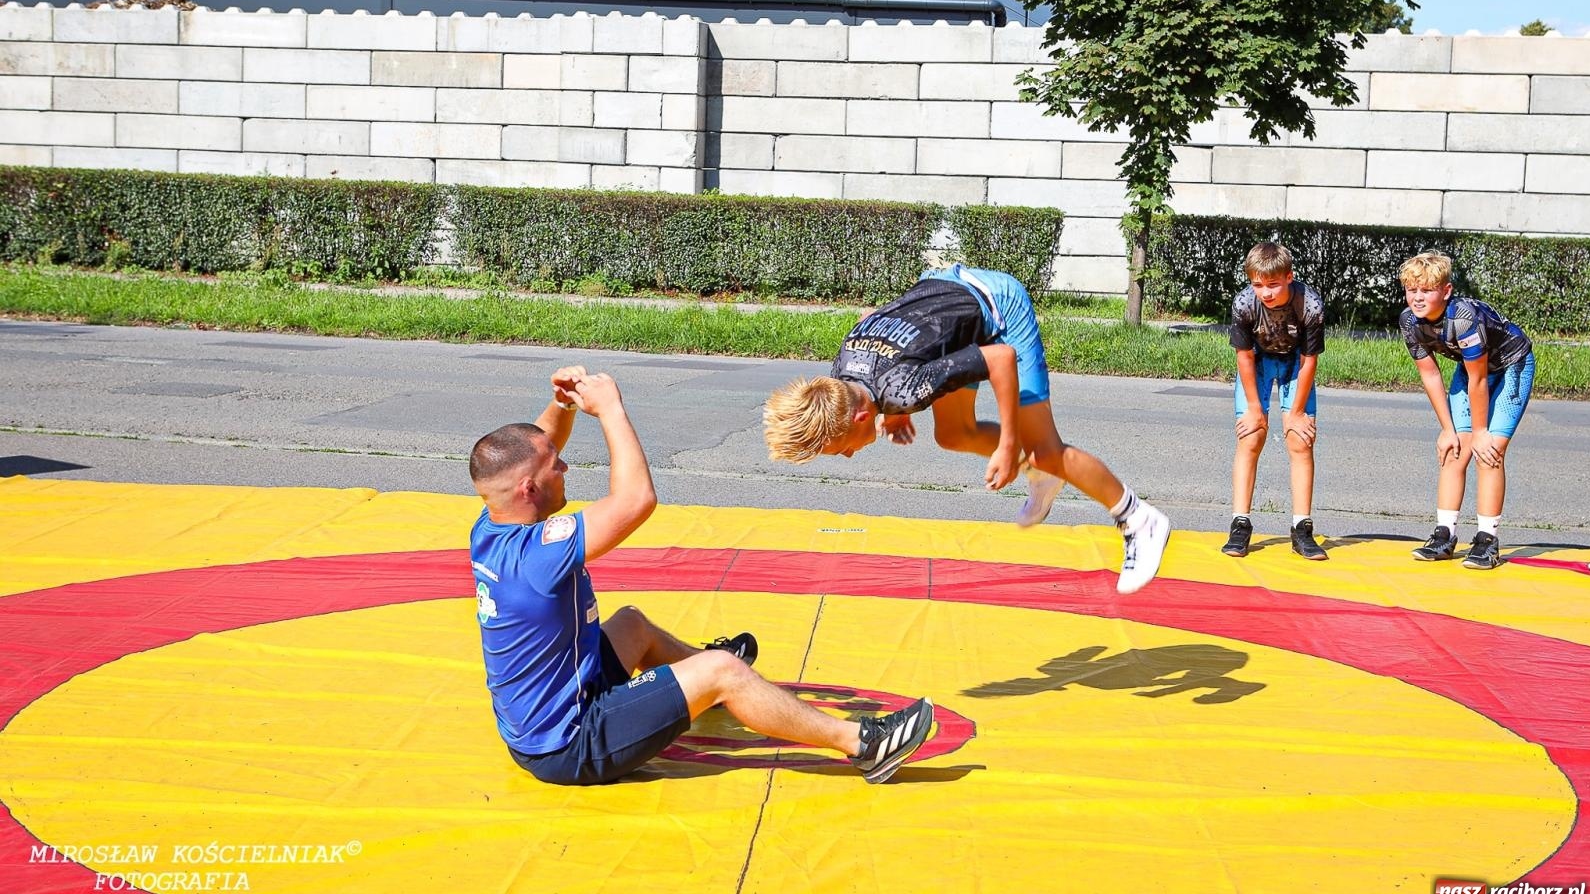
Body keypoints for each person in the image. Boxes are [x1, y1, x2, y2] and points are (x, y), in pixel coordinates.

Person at [468, 364, 934, 786]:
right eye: (556, 466)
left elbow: (527, 451)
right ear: (529, 488)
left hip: (546, 718)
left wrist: (561, 404)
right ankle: (863, 744)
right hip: (571, 744)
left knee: (632, 623)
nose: (565, 466)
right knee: (724, 670)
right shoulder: (538, 556)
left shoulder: (492, 523)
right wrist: (610, 409)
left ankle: (699, 687)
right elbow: (636, 501)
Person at [762, 264, 1169, 595]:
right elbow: (871, 319)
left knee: (1044, 448)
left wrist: (1009, 446)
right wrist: (896, 411)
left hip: (997, 305)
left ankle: (1137, 518)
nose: (850, 454)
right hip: (943, 298)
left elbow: (1000, 358)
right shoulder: (842, 375)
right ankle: (1042, 474)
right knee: (953, 434)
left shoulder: (902, 389)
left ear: (860, 418)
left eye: (841, 449)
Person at [1399, 252, 1536, 570]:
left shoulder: (1463, 317)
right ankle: (1444, 534)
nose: (1417, 298)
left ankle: (1487, 541)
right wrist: (1448, 429)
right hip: (1472, 369)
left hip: (1510, 365)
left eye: (1426, 290)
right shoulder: (1409, 320)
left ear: (1445, 291)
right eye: (1411, 290)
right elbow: (1430, 374)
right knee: (1453, 450)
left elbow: (1477, 381)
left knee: (1489, 452)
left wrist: (1481, 432)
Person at [1222, 242, 1328, 560]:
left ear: (1289, 277)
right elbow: (1243, 357)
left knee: (1299, 440)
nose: (1265, 293)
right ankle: (1240, 524)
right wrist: (1255, 408)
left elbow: (1310, 360)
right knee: (1251, 436)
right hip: (1258, 359)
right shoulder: (1244, 303)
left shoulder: (1309, 304)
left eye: (1273, 285)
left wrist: (1296, 412)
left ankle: (1302, 528)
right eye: (1258, 285)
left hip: (1295, 360)